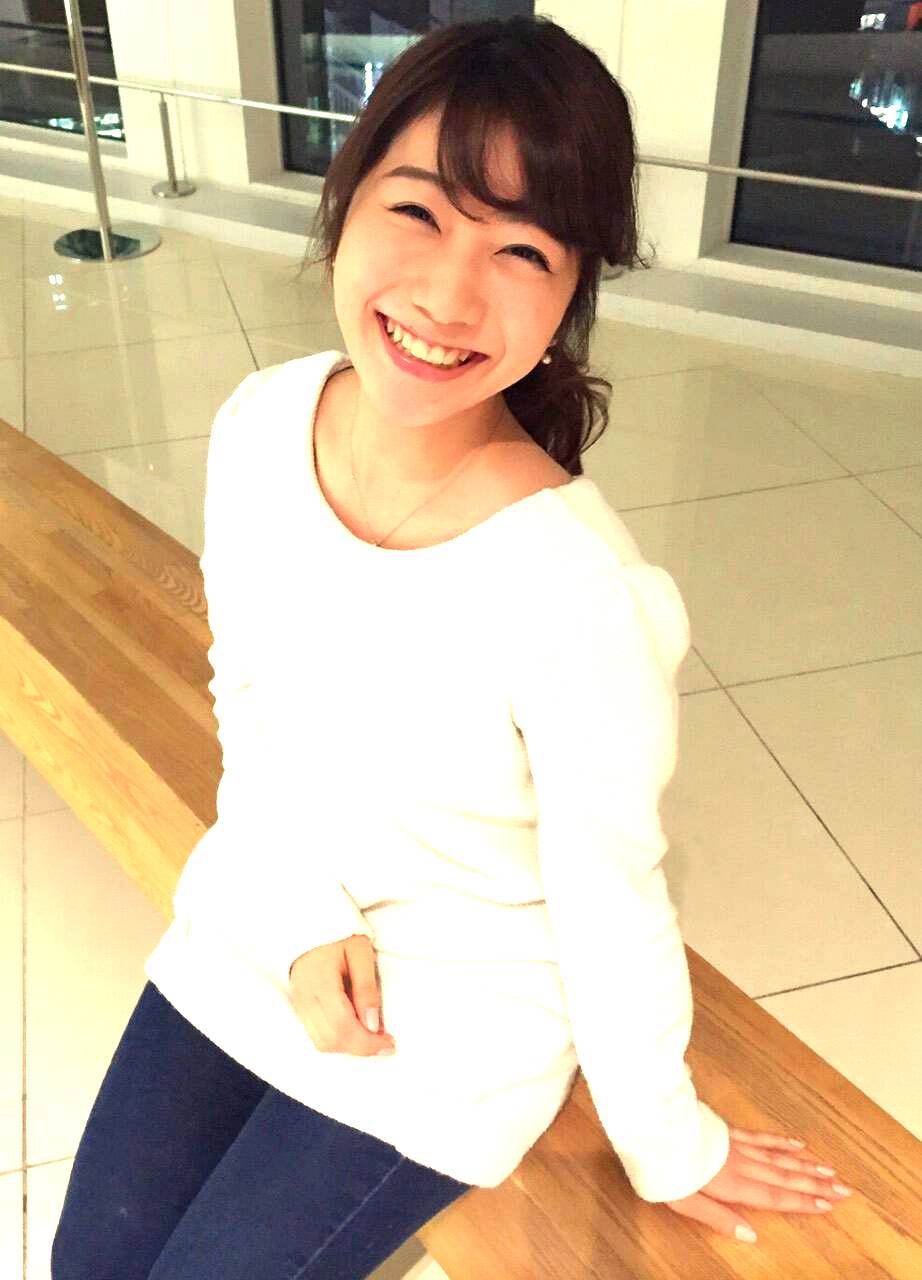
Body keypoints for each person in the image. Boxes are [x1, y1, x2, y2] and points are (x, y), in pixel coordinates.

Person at [51, 16, 850, 1279]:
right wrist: (297, 917)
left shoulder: (578, 590)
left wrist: (668, 1139)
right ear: (344, 200)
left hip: (454, 1014)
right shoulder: (263, 423)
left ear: (571, 293)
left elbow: (610, 890)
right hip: (263, 909)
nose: (447, 294)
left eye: (520, 249)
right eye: (417, 211)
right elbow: (246, 691)